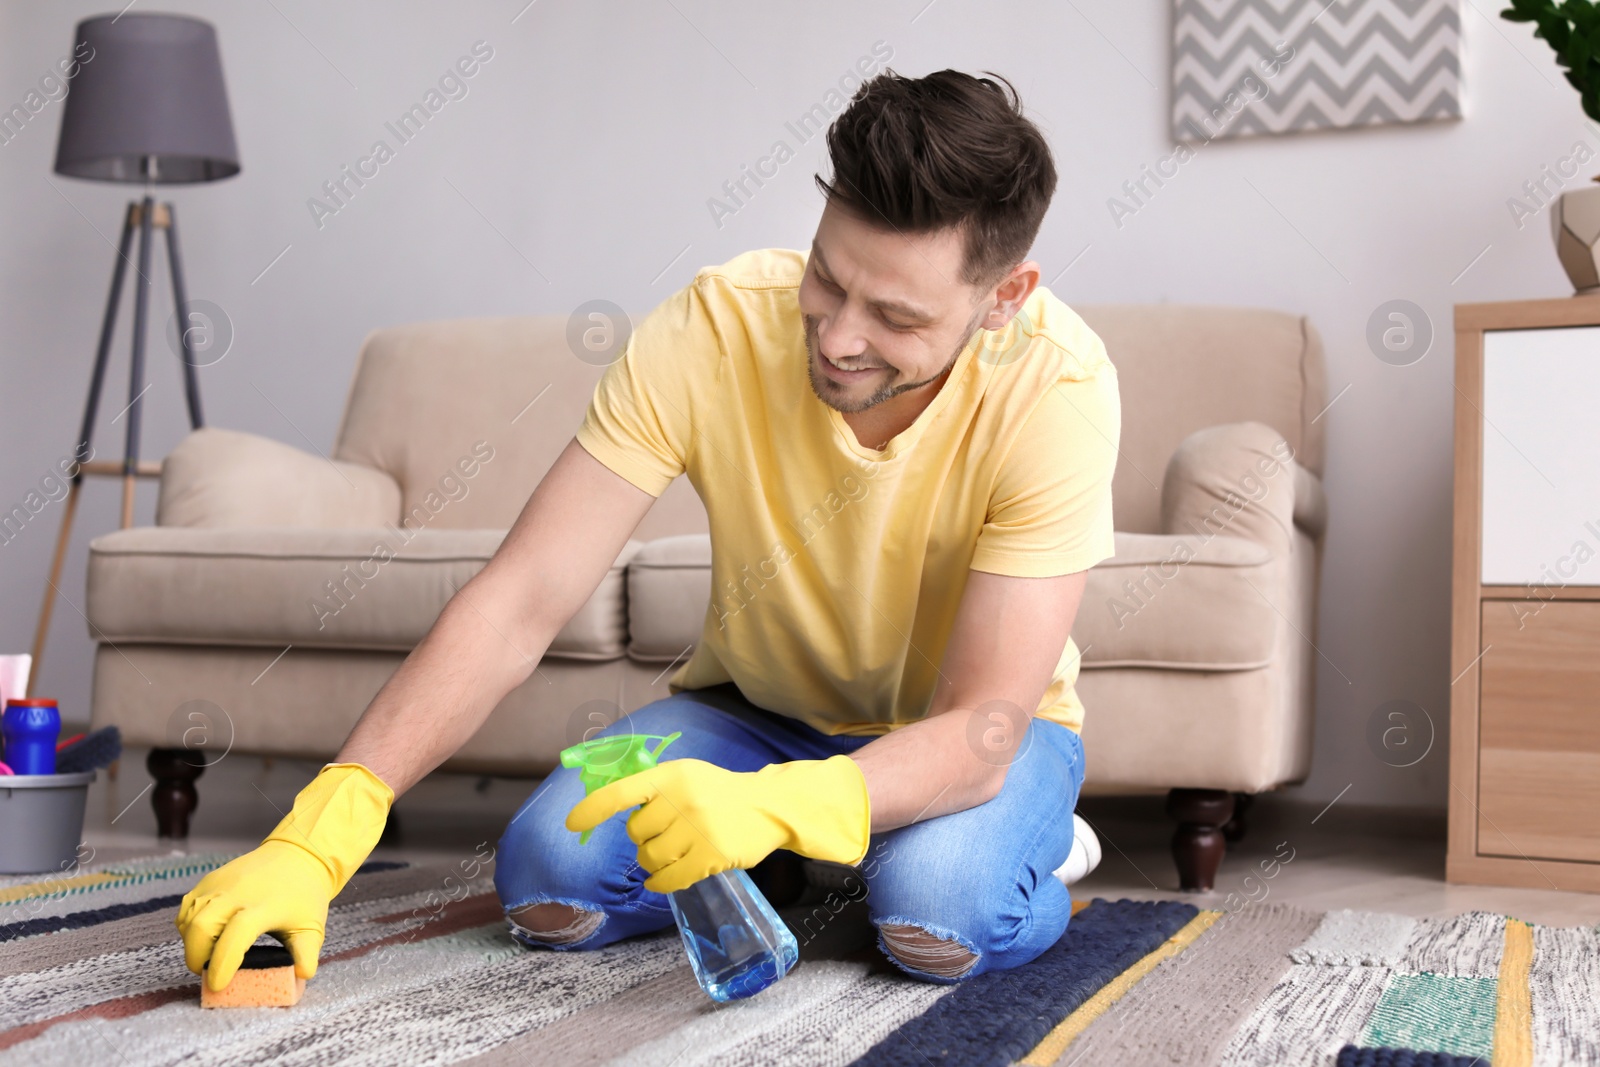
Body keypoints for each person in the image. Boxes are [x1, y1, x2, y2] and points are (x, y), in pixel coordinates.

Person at [176, 67, 1121, 991]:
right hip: (748, 716)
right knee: (548, 879)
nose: (835, 338)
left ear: (1003, 297)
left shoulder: (1058, 389)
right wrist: (324, 827)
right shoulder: (712, 329)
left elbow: (982, 721)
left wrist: (781, 805)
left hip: (982, 739)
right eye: (828, 280)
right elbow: (521, 597)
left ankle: (1033, 856)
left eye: (895, 316)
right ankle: (788, 855)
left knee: (935, 913)